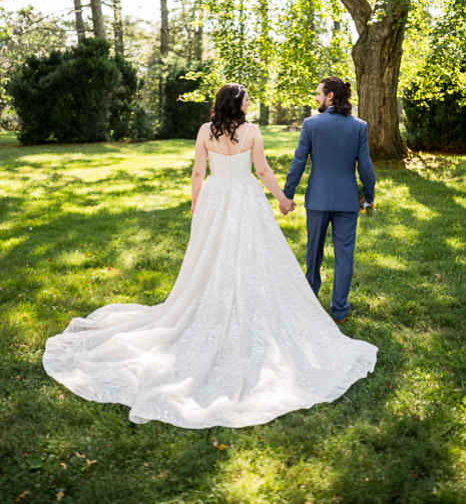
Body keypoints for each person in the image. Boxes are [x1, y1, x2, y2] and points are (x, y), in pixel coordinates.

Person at [43, 83, 377, 429]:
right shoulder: (252, 132)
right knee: (250, 252)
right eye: (247, 99)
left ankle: (217, 299)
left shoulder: (205, 131)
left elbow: (198, 173)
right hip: (245, 197)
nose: (250, 103)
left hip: (216, 196)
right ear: (238, 104)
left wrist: (196, 202)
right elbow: (262, 171)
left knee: (213, 253)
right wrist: (282, 198)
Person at [283, 76, 376, 323]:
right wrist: (368, 197)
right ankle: (339, 311)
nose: (316, 97)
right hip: (347, 201)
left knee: (313, 252)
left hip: (318, 199)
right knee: (345, 254)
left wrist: (288, 194)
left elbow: (299, 162)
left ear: (330, 96)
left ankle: (310, 301)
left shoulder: (311, 124)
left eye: (318, 93)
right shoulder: (359, 126)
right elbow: (365, 167)